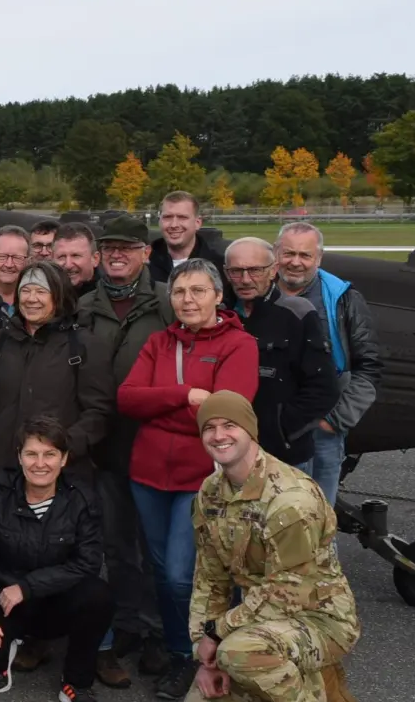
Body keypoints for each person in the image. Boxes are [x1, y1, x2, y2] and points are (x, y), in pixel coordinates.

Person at [181, 391, 360, 702]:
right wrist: (204, 654)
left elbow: (287, 588)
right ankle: (309, 681)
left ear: (250, 431)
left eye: (230, 425)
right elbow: (209, 578)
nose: (219, 435)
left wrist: (219, 634)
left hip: (320, 619)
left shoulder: (291, 499)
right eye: (209, 427)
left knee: (241, 652)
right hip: (263, 620)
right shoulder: (211, 493)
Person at [118, 258, 259, 700]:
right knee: (161, 570)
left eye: (199, 291)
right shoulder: (160, 343)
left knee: (183, 574)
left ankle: (212, 653)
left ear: (219, 296)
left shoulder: (239, 344)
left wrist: (164, 408)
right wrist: (185, 396)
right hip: (148, 474)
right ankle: (182, 652)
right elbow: (127, 399)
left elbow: (226, 413)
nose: (188, 300)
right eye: (180, 292)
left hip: (201, 478)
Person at [0, 417, 113, 702]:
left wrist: (27, 587)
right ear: (19, 457)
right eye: (32, 454)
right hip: (3, 600)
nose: (40, 463)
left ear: (64, 459)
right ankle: (6, 649)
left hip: (54, 602)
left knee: (98, 595)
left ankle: (76, 682)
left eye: (50, 454)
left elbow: (88, 562)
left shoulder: (82, 499)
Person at [76, 215, 178, 686]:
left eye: (127, 247)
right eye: (109, 248)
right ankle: (126, 628)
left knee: (157, 549)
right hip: (104, 449)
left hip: (156, 444)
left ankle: (160, 634)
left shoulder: (165, 303)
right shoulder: (84, 307)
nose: (117, 255)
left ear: (144, 253)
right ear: (99, 256)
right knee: (116, 548)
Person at [275, 222, 382, 504]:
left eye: (305, 255)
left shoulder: (343, 299)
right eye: (288, 253)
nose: (295, 262)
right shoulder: (257, 293)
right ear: (275, 253)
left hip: (323, 431)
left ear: (319, 258)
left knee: (320, 518)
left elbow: (369, 366)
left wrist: (335, 421)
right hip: (271, 428)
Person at [0, 261, 113, 476]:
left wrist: (64, 447)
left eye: (41, 291)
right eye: (25, 291)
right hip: (3, 469)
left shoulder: (83, 346)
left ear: (58, 296)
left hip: (63, 472)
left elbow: (98, 411)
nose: (31, 299)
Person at [225, 237, 338, 466]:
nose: (245, 280)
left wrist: (280, 428)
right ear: (226, 272)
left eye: (255, 270)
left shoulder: (297, 313)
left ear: (273, 270)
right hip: (227, 450)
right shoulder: (220, 314)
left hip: (283, 454)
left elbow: (323, 387)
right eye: (236, 271)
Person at [149, 191, 224, 285]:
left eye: (182, 217)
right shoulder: (144, 264)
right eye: (167, 217)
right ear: (159, 221)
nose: (174, 225)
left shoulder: (219, 266)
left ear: (197, 223)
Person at [0, 226, 32, 326]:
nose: (9, 264)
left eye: (17, 258)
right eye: (2, 257)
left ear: (28, 263)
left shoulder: (36, 301)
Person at [52, 222, 100, 299]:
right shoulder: (43, 296)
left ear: (95, 259)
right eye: (62, 257)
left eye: (75, 256)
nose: (68, 265)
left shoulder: (111, 298)